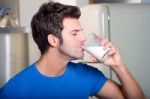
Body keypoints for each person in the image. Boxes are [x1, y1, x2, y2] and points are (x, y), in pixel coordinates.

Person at [0, 1, 145, 99]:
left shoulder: (86, 74)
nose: (83, 38)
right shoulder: (14, 91)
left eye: (81, 31)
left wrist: (117, 65)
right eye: (75, 33)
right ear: (53, 40)